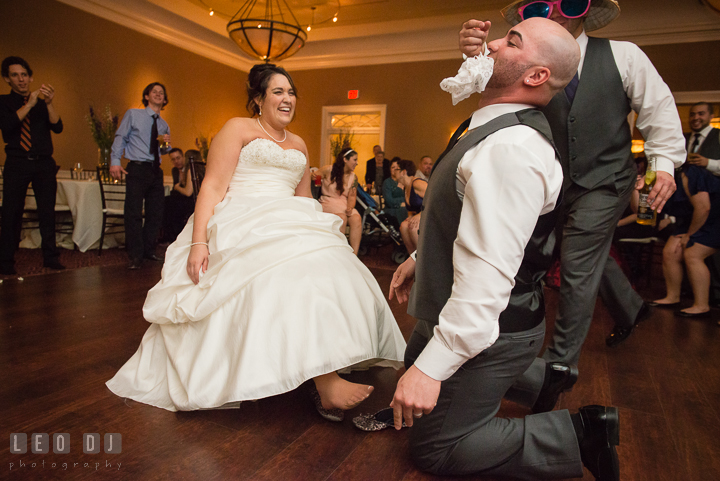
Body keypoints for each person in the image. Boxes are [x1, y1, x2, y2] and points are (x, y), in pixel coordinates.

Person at [389, 17, 620, 481]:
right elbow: (469, 219)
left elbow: (488, 280)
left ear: (536, 76)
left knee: (434, 447)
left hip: (497, 325)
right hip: (471, 314)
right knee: (409, 371)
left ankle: (579, 432)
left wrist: (433, 371)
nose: (490, 43)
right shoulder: (492, 125)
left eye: (511, 40)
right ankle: (543, 379)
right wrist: (421, 258)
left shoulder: (511, 148)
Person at [106, 64, 405, 419]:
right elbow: (213, 187)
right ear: (258, 99)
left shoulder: (298, 143)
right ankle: (325, 382)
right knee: (287, 275)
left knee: (331, 266)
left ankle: (335, 353)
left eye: (291, 92)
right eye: (278, 91)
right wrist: (199, 242)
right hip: (243, 215)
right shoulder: (238, 128)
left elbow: (302, 197)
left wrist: (320, 229)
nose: (287, 98)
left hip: (289, 216)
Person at [459, 0, 686, 357]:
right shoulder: (528, 59)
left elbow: (659, 111)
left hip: (608, 179)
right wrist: (475, 58)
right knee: (584, 252)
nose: (558, 12)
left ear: (585, 10)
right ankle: (632, 307)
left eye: (570, 2)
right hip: (554, 181)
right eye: (541, 6)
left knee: (578, 261)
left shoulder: (624, 55)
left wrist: (665, 165)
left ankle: (558, 365)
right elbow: (489, 87)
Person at [0, 56, 64, 275]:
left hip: (44, 164)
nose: (21, 79)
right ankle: (6, 260)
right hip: (17, 163)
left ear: (31, 77)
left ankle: (50, 257)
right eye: (15, 75)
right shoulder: (3, 102)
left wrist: (48, 103)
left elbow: (58, 127)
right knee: (11, 212)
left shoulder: (41, 103)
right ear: (7, 79)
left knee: (47, 212)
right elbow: (8, 125)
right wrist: (29, 104)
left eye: (24, 75)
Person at [110, 82, 171, 270]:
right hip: (136, 168)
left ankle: (149, 250)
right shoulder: (133, 114)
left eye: (162, 93)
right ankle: (135, 254)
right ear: (147, 96)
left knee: (155, 213)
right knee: (134, 212)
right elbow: (121, 137)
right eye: (155, 92)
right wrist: (114, 161)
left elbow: (164, 150)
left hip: (155, 170)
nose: (159, 94)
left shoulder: (163, 124)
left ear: (164, 99)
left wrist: (166, 144)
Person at [649, 165, 720, 318]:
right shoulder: (652, 179)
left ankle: (701, 306)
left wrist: (689, 235)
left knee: (693, 253)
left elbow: (704, 207)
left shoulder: (689, 173)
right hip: (696, 219)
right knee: (670, 251)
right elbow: (643, 210)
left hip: (715, 216)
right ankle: (672, 297)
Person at [318, 148, 363, 255]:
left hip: (343, 203)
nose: (357, 163)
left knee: (357, 218)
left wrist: (350, 207)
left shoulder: (354, 177)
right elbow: (314, 175)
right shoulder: (328, 170)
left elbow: (352, 196)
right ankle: (339, 253)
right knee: (341, 218)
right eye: (354, 160)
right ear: (345, 160)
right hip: (328, 201)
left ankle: (354, 255)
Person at [161, 148, 196, 244]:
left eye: (178, 158)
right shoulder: (175, 171)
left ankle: (174, 235)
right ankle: (167, 235)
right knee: (165, 202)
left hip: (189, 199)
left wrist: (177, 187)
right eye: (173, 159)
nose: (176, 161)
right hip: (179, 197)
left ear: (183, 157)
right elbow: (176, 186)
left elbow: (187, 191)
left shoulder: (190, 169)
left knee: (171, 204)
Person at [396, 159, 427, 254]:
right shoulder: (406, 186)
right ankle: (413, 259)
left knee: (413, 228)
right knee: (404, 226)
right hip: (420, 216)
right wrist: (410, 217)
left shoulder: (417, 183)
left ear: (403, 172)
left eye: (396, 169)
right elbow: (412, 208)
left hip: (430, 215)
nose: (393, 171)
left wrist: (420, 215)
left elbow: (435, 199)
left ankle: (422, 260)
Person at [686, 102, 720, 175]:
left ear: (711, 116)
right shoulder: (683, 137)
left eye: (701, 114)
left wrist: (708, 163)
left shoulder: (718, 135)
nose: (695, 118)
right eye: (692, 115)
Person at [382, 158, 408, 225]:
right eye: (393, 167)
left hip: (405, 207)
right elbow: (389, 201)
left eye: (397, 167)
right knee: (403, 210)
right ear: (390, 169)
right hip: (391, 209)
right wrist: (401, 202)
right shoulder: (387, 182)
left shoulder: (404, 181)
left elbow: (409, 197)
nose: (395, 169)